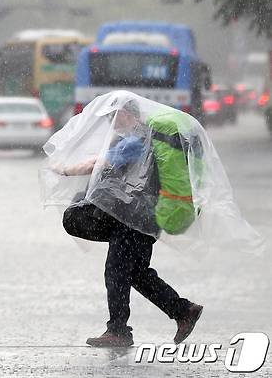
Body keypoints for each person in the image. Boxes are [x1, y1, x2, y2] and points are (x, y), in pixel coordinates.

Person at [58, 100, 203, 347]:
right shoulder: (145, 137)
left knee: (116, 271)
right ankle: (182, 311)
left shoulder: (137, 139)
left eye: (112, 117)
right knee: (135, 272)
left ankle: (118, 330)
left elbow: (100, 164)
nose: (110, 123)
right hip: (146, 217)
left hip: (133, 217)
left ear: (125, 114)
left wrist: (64, 170)